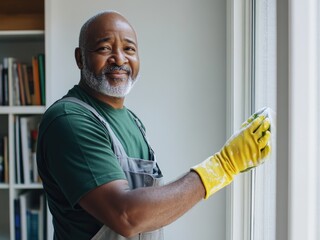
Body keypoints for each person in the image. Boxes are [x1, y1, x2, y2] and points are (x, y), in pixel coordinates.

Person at [36, 10, 271, 240]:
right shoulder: (68, 120)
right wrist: (221, 166)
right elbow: (126, 216)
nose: (119, 59)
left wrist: (233, 165)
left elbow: (149, 212)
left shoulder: (132, 121)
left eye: (129, 49)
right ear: (80, 58)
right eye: (104, 48)